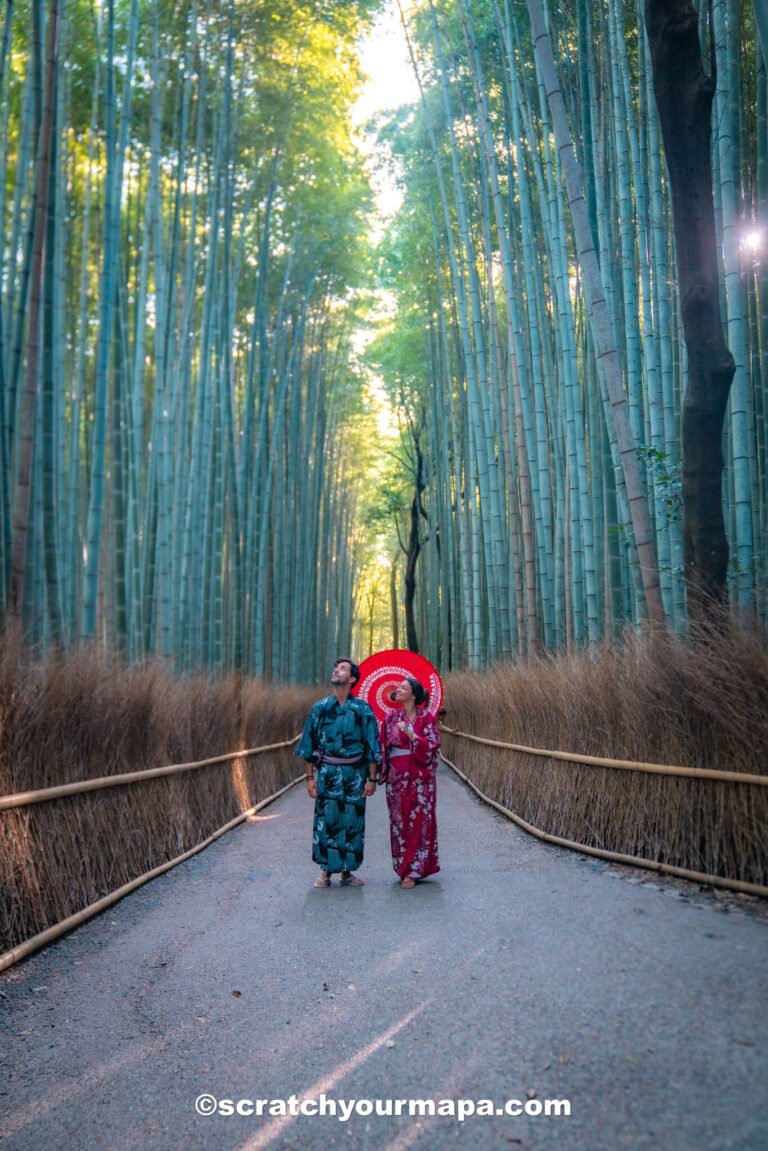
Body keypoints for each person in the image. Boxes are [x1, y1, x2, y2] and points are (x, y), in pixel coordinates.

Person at [296, 657, 380, 888]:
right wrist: (310, 778)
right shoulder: (320, 707)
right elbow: (309, 745)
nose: (336, 670)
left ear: (352, 679)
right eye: (335, 667)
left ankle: (347, 872)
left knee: (352, 821)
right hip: (328, 772)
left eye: (342, 669)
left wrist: (372, 779)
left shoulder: (362, 709)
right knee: (327, 820)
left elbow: (372, 745)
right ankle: (325, 871)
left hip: (355, 773)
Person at [379, 676, 440, 889]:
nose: (398, 689)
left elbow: (433, 745)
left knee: (420, 821)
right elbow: (382, 745)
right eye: (398, 687)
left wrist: (412, 734)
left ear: (413, 695)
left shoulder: (426, 718)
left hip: (421, 779)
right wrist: (377, 773)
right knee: (399, 821)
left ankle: (415, 870)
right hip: (397, 778)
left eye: (403, 687)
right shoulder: (390, 717)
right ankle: (403, 866)